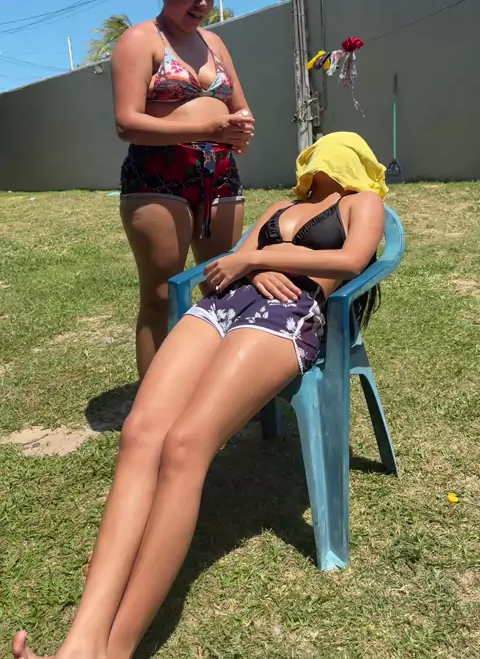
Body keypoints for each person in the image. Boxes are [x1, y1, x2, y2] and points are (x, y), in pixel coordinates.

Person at [13, 132, 388, 659]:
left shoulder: (362, 202)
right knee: (141, 432)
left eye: (336, 146)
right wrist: (250, 263)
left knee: (186, 445)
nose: (322, 153)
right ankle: (81, 643)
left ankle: (115, 650)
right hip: (223, 303)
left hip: (287, 313)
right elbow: (230, 263)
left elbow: (351, 260)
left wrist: (260, 259)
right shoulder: (281, 207)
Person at [113, 0, 255, 380]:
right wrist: (206, 128)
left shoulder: (215, 44)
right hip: (158, 180)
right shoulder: (141, 40)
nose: (202, 4)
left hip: (221, 178)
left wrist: (242, 127)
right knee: (160, 295)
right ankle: (154, 404)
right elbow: (127, 123)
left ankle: (212, 391)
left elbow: (240, 106)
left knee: (224, 286)